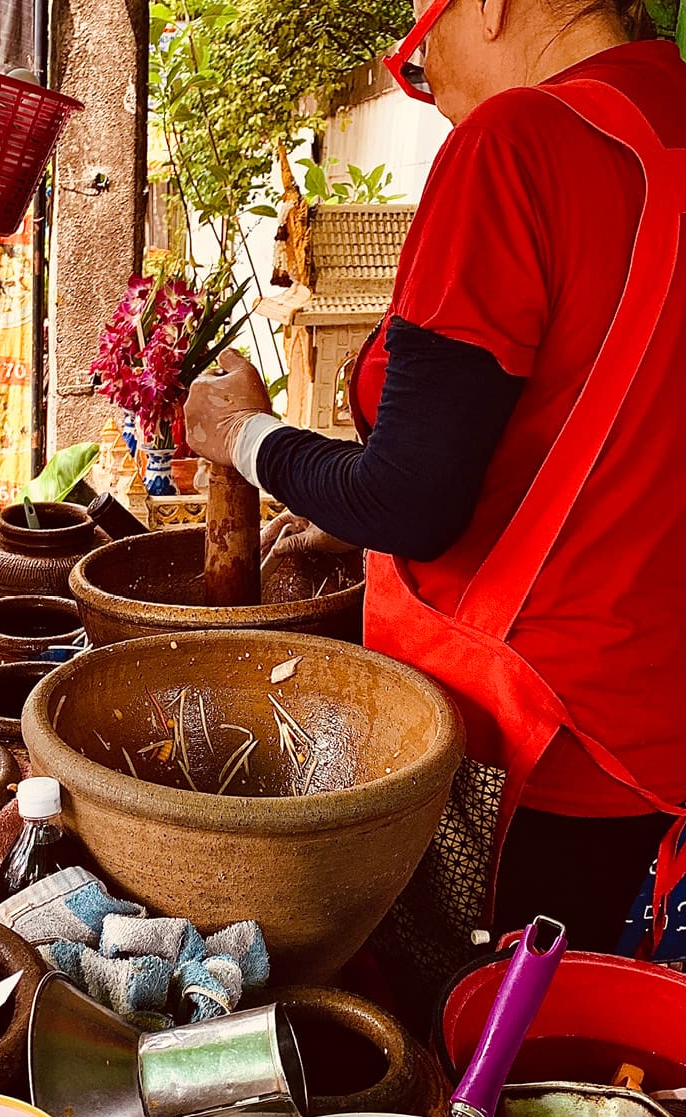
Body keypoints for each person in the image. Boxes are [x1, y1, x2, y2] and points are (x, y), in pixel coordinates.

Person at [184, 0, 686, 1004]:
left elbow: (413, 500)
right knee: (589, 1063)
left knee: (461, 1057)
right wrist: (343, 501)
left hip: (541, 755)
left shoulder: (520, 144)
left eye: (418, 60)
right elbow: (613, 432)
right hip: (660, 754)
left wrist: (239, 435)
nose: (438, 97)